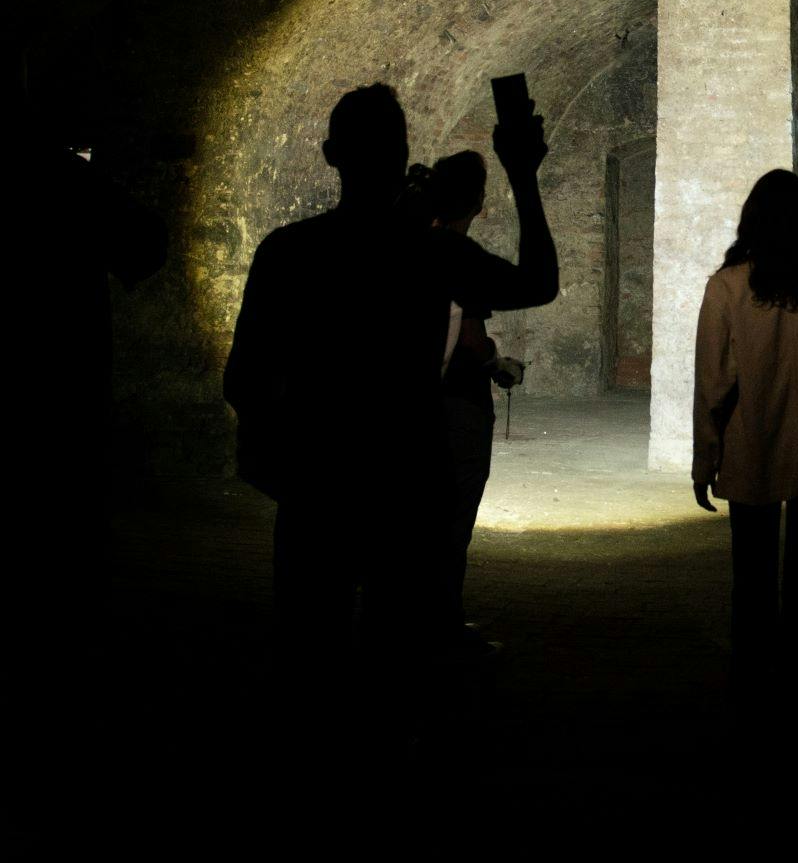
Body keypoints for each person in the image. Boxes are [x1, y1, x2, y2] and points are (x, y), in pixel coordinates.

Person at [223, 83, 557, 725]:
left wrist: (283, 458)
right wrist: (522, 173)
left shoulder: (288, 251)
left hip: (318, 484)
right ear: (404, 156)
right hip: (408, 481)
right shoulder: (429, 254)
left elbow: (244, 380)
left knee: (309, 657)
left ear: (331, 155)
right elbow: (539, 283)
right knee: (397, 668)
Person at [691, 169, 798, 743]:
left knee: (752, 583)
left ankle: (752, 698)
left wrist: (705, 459)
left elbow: (712, 383)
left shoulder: (727, 287)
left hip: (748, 442)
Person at [423, 150, 525, 652]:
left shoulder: (403, 247)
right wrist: (500, 364)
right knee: (453, 517)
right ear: (478, 203)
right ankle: (442, 627)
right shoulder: (458, 257)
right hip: (458, 404)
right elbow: (470, 337)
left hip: (407, 405)